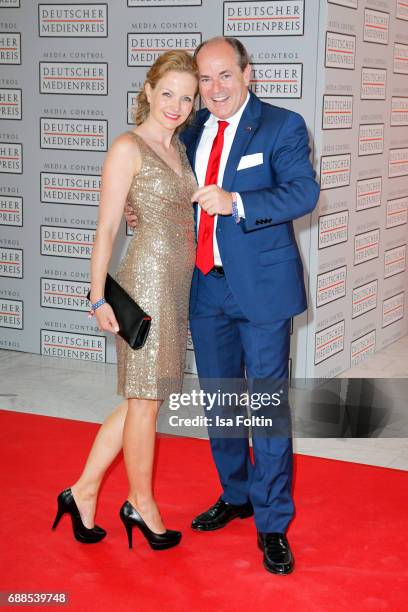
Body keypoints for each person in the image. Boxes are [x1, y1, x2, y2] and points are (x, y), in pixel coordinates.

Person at [127, 36, 320, 574]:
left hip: (261, 290)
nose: (213, 90)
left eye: (224, 76)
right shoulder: (187, 128)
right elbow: (162, 182)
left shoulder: (282, 126)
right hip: (205, 288)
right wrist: (142, 214)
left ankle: (273, 522)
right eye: (204, 80)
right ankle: (237, 494)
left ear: (247, 73)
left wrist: (236, 201)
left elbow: (303, 193)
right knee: (221, 401)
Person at [51, 50, 198, 551]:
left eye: (187, 97)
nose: (176, 105)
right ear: (149, 91)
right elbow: (108, 226)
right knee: (145, 404)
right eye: (168, 93)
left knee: (143, 401)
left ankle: (82, 491)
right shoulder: (126, 147)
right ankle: (141, 504)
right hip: (146, 286)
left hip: (177, 289)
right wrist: (97, 298)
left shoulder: (179, 149)